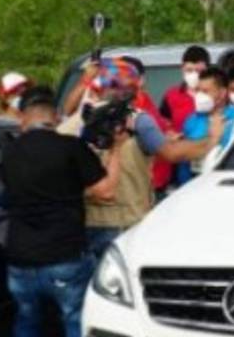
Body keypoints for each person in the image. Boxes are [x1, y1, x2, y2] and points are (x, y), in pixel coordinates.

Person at [0, 84, 120, 337]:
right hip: (64, 254)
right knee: (73, 325)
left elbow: (8, 192)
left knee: (25, 325)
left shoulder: (10, 153)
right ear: (54, 117)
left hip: (20, 257)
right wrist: (118, 151)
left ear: (23, 118)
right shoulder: (69, 148)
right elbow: (106, 191)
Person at [60, 58, 220, 263]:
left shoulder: (74, 122)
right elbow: (171, 154)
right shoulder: (137, 120)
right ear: (134, 89)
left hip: (85, 223)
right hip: (128, 223)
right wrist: (212, 140)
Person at [175, 68, 234, 186]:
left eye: (205, 91)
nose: (199, 95)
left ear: (222, 93)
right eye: (198, 91)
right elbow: (184, 162)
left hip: (227, 184)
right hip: (196, 185)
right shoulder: (191, 121)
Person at [159, 45, 210, 135]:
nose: (194, 75)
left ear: (208, 70)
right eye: (189, 70)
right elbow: (162, 123)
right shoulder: (171, 95)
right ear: (182, 69)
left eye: (199, 71)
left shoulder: (215, 94)